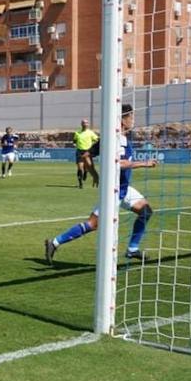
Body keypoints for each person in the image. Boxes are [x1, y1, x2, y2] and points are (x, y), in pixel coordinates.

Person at [45, 104, 157, 265]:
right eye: (131, 116)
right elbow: (119, 163)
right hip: (113, 190)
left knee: (145, 211)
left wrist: (95, 175)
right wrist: (144, 164)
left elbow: (86, 155)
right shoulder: (115, 139)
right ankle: (54, 243)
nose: (133, 120)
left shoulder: (112, 137)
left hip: (124, 188)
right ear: (122, 119)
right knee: (93, 224)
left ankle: (132, 250)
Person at [73, 119, 100, 189]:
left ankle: (86, 171)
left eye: (86, 123)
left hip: (87, 152)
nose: (85, 124)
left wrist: (92, 146)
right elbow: (74, 141)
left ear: (88, 124)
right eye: (83, 123)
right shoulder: (77, 133)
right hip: (79, 151)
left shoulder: (90, 133)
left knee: (89, 167)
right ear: (81, 124)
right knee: (80, 167)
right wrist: (75, 144)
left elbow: (97, 140)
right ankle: (80, 183)